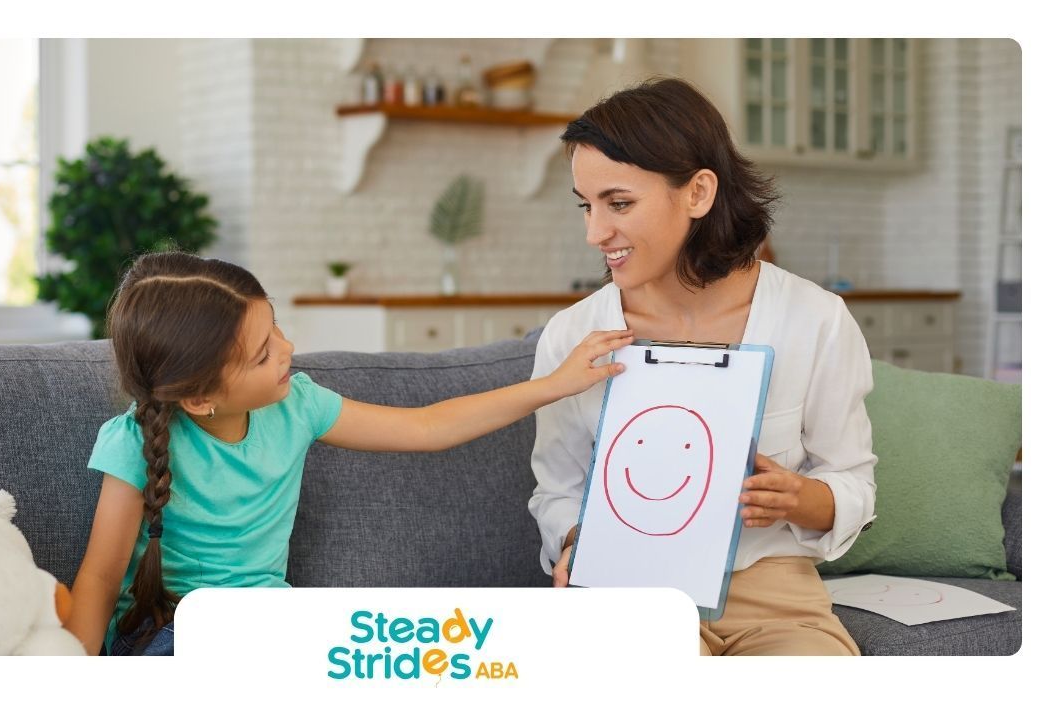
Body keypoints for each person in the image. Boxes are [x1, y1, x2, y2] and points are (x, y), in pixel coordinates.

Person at [66, 250, 634, 655]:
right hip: (172, 638)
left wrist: (554, 383)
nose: (288, 349)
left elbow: (427, 427)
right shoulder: (134, 443)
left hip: (273, 632)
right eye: (263, 354)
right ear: (199, 397)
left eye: (277, 327)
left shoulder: (297, 405)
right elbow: (99, 577)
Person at [527, 77, 877, 656]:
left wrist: (797, 497)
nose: (595, 232)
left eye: (619, 204)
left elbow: (853, 482)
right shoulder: (574, 335)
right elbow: (556, 490)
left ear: (698, 193)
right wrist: (577, 540)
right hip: (627, 590)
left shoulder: (814, 319)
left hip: (776, 599)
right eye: (585, 206)